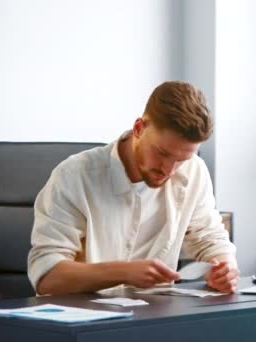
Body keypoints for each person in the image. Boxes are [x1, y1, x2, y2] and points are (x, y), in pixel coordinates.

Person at [27, 81, 239, 295]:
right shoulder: (74, 176)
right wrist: (123, 272)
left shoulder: (194, 170)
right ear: (139, 128)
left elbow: (210, 238)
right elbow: (48, 277)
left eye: (182, 159)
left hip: (154, 315)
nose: (169, 169)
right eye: (162, 153)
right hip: (81, 318)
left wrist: (224, 268)